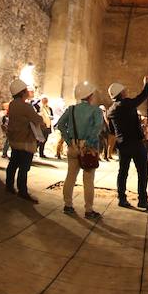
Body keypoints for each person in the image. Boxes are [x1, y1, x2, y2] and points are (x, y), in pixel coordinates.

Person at [56, 82, 102, 220]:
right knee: (88, 180)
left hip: (73, 145)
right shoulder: (96, 111)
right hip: (88, 148)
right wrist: (88, 143)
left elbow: (60, 124)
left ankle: (68, 205)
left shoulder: (71, 109)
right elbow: (97, 128)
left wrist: (68, 140)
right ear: (90, 95)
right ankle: (89, 210)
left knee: (70, 177)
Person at [107, 77, 148, 210]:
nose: (126, 91)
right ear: (121, 93)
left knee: (123, 172)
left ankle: (122, 199)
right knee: (142, 172)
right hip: (135, 143)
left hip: (122, 145)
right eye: (124, 90)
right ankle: (142, 200)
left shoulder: (111, 109)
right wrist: (147, 84)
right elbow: (142, 97)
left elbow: (112, 130)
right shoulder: (125, 103)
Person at [5, 78, 43, 203]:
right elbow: (38, 120)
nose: (28, 91)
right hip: (25, 141)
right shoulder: (26, 106)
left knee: (13, 164)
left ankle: (9, 186)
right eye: (26, 89)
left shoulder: (12, 104)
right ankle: (22, 191)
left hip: (14, 139)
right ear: (22, 92)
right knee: (24, 167)